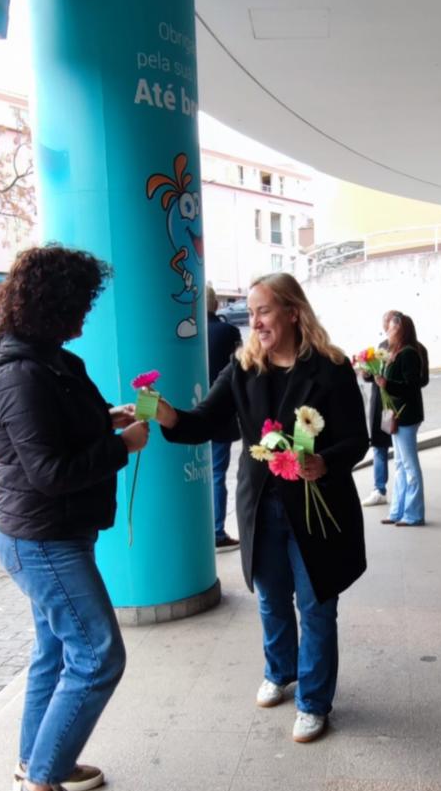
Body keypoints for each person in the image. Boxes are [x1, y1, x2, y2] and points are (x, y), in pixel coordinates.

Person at [0, 245, 149, 791]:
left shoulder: (43, 358)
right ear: (50, 306)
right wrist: (121, 447)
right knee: (98, 655)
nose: (84, 316)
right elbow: (49, 472)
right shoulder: (18, 374)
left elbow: (56, 433)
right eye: (78, 305)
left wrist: (106, 420)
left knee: (54, 653)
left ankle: (41, 760)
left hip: (55, 532)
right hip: (43, 539)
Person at [155, 272, 368, 743]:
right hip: (262, 507)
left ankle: (313, 701)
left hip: (315, 508)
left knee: (316, 605)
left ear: (293, 312)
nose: (255, 322)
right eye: (251, 313)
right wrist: (167, 416)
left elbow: (358, 439)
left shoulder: (331, 368)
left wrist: (324, 463)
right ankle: (280, 670)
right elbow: (203, 421)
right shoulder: (243, 368)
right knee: (270, 599)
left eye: (264, 311)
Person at [376, 312, 427, 527]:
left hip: (406, 415)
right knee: (399, 464)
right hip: (398, 414)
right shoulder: (394, 352)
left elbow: (412, 386)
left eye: (391, 328)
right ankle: (397, 511)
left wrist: (387, 384)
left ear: (401, 330)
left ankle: (413, 513)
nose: (388, 331)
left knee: (409, 465)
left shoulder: (408, 353)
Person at [206, 283, 242, 550]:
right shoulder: (228, 331)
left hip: (193, 411)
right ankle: (217, 531)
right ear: (215, 304)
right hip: (221, 416)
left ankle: (204, 531)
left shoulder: (187, 331)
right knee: (217, 473)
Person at [359, 311, 397, 508]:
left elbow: (418, 381)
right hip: (380, 406)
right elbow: (371, 376)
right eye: (385, 323)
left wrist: (388, 383)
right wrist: (367, 371)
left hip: (395, 406)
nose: (386, 326)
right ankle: (379, 489)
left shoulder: (407, 348)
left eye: (389, 323)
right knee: (379, 447)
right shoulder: (381, 346)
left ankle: (402, 490)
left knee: (399, 449)